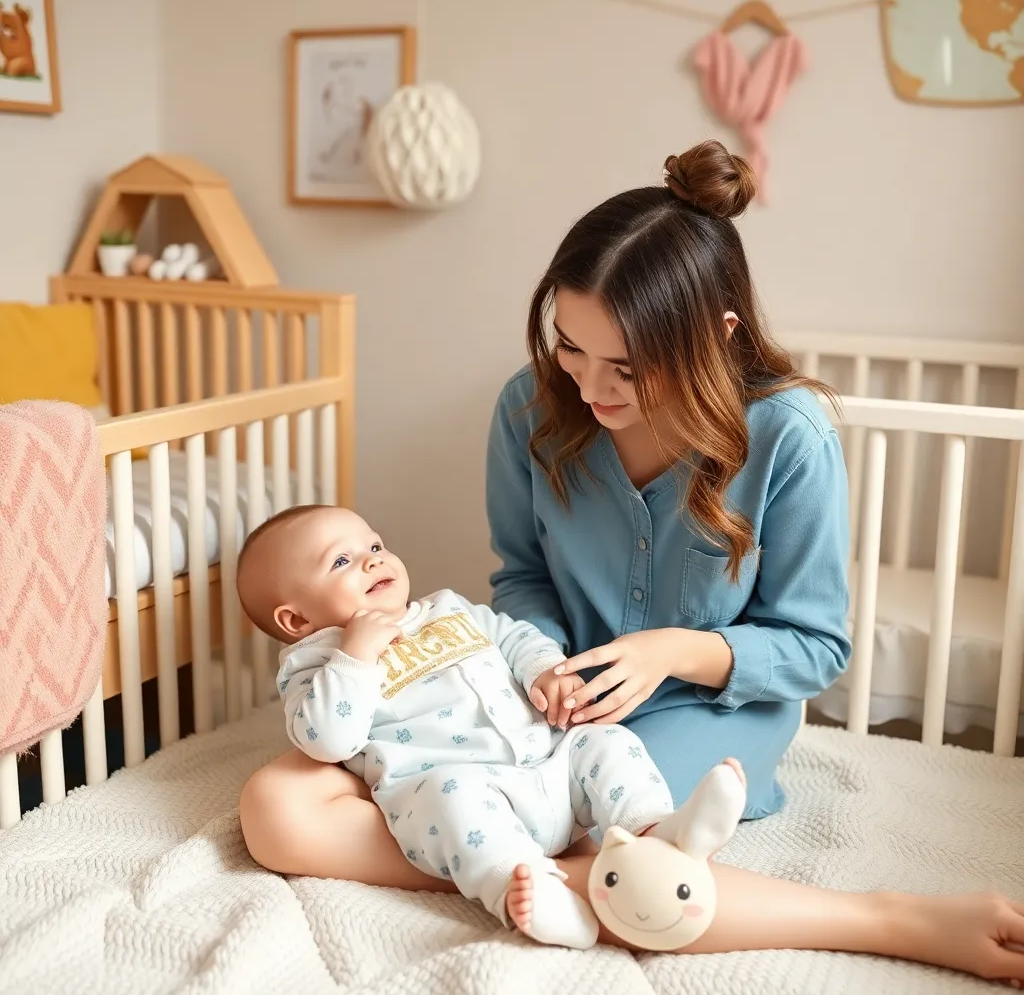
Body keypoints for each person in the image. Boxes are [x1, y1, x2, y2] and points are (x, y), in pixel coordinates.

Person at [238, 140, 1024, 984]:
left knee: (609, 835)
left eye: (626, 367)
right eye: (571, 348)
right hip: (548, 699)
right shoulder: (529, 408)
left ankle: (890, 920)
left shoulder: (790, 436)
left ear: (716, 335)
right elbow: (524, 579)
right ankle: (520, 861)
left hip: (708, 707)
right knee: (273, 807)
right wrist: (542, 668)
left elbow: (814, 647)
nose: (589, 388)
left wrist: (670, 652)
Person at [236, 502, 747, 949]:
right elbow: (327, 741)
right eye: (341, 561)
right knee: (449, 797)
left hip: (550, 764)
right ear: (296, 621)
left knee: (606, 742)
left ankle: (655, 829)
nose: (373, 560)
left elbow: (516, 638)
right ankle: (525, 889)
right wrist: (355, 655)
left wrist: (546, 672)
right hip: (468, 793)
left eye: (374, 545)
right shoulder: (315, 666)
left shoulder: (446, 608)